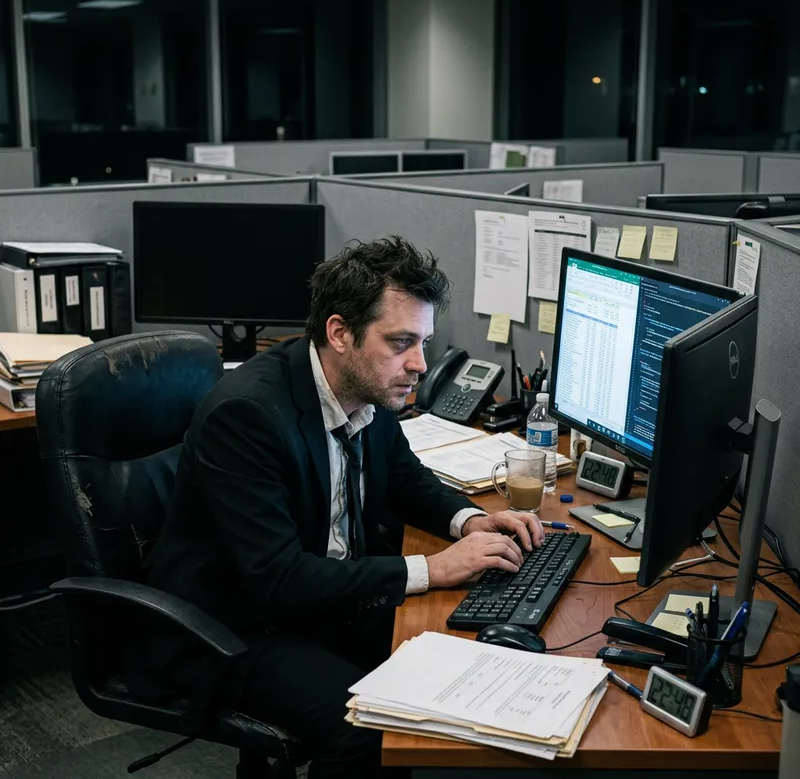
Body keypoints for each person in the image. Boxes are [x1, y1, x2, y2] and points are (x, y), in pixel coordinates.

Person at [129, 237, 544, 777]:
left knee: (459, 654)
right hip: (236, 626)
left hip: (323, 598)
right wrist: (433, 568)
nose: (419, 364)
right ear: (340, 333)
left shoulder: (368, 384)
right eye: (401, 342)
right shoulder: (248, 415)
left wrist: (470, 520)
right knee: (367, 730)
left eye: (423, 342)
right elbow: (277, 578)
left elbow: (403, 477)